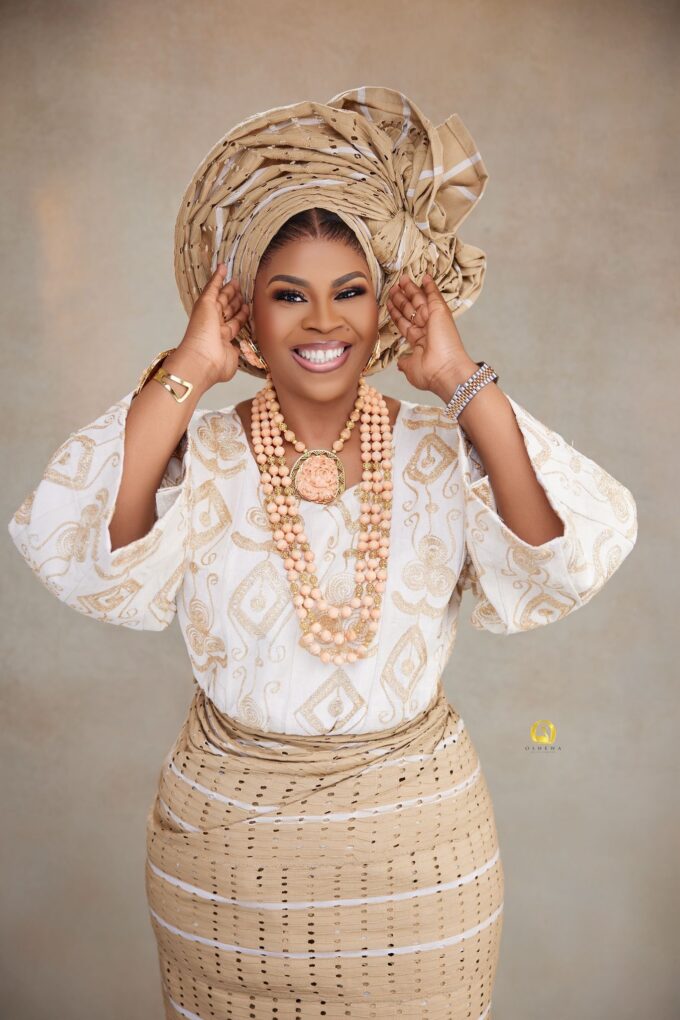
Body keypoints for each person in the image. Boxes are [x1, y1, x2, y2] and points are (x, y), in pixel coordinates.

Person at [8, 87, 637, 1019]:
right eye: (287, 295)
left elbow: (559, 554)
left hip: (420, 864)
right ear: (246, 314)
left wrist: (457, 378)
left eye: (350, 292)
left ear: (382, 308)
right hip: (225, 865)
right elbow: (98, 546)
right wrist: (192, 367)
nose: (322, 320)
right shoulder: (201, 450)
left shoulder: (439, 447)